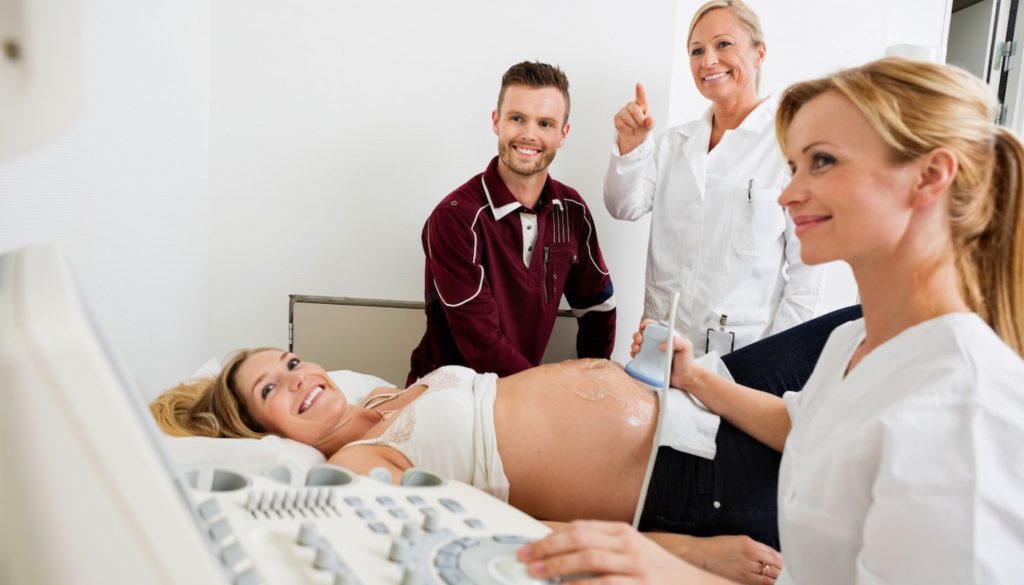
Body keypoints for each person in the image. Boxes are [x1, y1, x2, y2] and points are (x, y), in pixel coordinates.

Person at [518, 57, 1024, 584]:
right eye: (794, 165)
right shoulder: (853, 340)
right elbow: (801, 424)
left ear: (930, 177)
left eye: (822, 161)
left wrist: (671, 567)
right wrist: (694, 378)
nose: (787, 193)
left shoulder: (966, 405)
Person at [152, 306, 862, 585]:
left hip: (704, 391)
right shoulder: (361, 466)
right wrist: (681, 550)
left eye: (291, 361)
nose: (297, 378)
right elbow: (507, 530)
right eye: (271, 390)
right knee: (878, 474)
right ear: (265, 430)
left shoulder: (379, 397)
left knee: (877, 323)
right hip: (685, 478)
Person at [605, 0, 823, 358]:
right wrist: (631, 147)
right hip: (661, 346)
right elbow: (623, 206)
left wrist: (774, 360)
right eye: (696, 50)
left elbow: (807, 275)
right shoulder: (675, 144)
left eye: (723, 44)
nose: (708, 60)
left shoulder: (792, 144)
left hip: (744, 356)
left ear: (759, 53)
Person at [406, 61, 616, 385]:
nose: (529, 135)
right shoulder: (455, 219)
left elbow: (598, 310)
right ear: (496, 122)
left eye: (545, 123)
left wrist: (593, 385)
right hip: (447, 399)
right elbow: (482, 345)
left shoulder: (572, 212)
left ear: (563, 134)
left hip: (517, 398)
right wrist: (548, 397)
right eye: (517, 118)